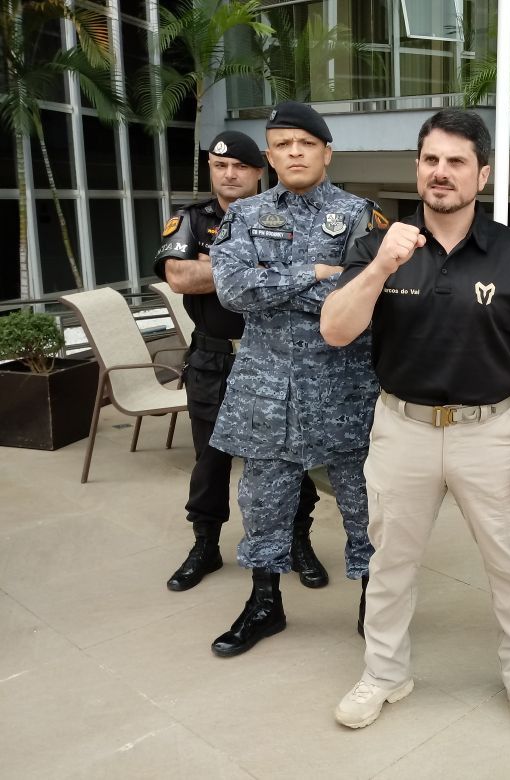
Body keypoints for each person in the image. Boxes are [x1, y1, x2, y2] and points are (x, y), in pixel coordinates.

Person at [321, 109, 510, 742]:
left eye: (456, 161)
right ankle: (385, 673)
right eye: (431, 159)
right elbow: (335, 329)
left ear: (480, 175)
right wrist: (379, 269)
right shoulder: (381, 246)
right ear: (417, 168)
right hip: (401, 428)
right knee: (391, 563)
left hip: (492, 433)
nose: (441, 172)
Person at [207, 101, 379, 657]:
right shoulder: (245, 215)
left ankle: (373, 599)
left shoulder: (359, 215)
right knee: (263, 500)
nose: (295, 153)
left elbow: (360, 295)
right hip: (268, 388)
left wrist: (276, 280)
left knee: (364, 502)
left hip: (345, 386)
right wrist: (314, 272)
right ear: (271, 155)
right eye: (283, 145)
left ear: (327, 152)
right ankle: (264, 603)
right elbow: (232, 291)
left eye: (306, 143)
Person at [155, 131, 327, 593]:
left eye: (240, 167)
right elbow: (179, 276)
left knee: (291, 455)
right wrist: (266, 270)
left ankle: (298, 540)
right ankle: (205, 544)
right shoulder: (191, 219)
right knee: (210, 459)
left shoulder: (289, 215)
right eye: (219, 166)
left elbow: (326, 275)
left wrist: (234, 269)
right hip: (216, 358)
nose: (229, 174)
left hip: (280, 358)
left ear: (259, 170)